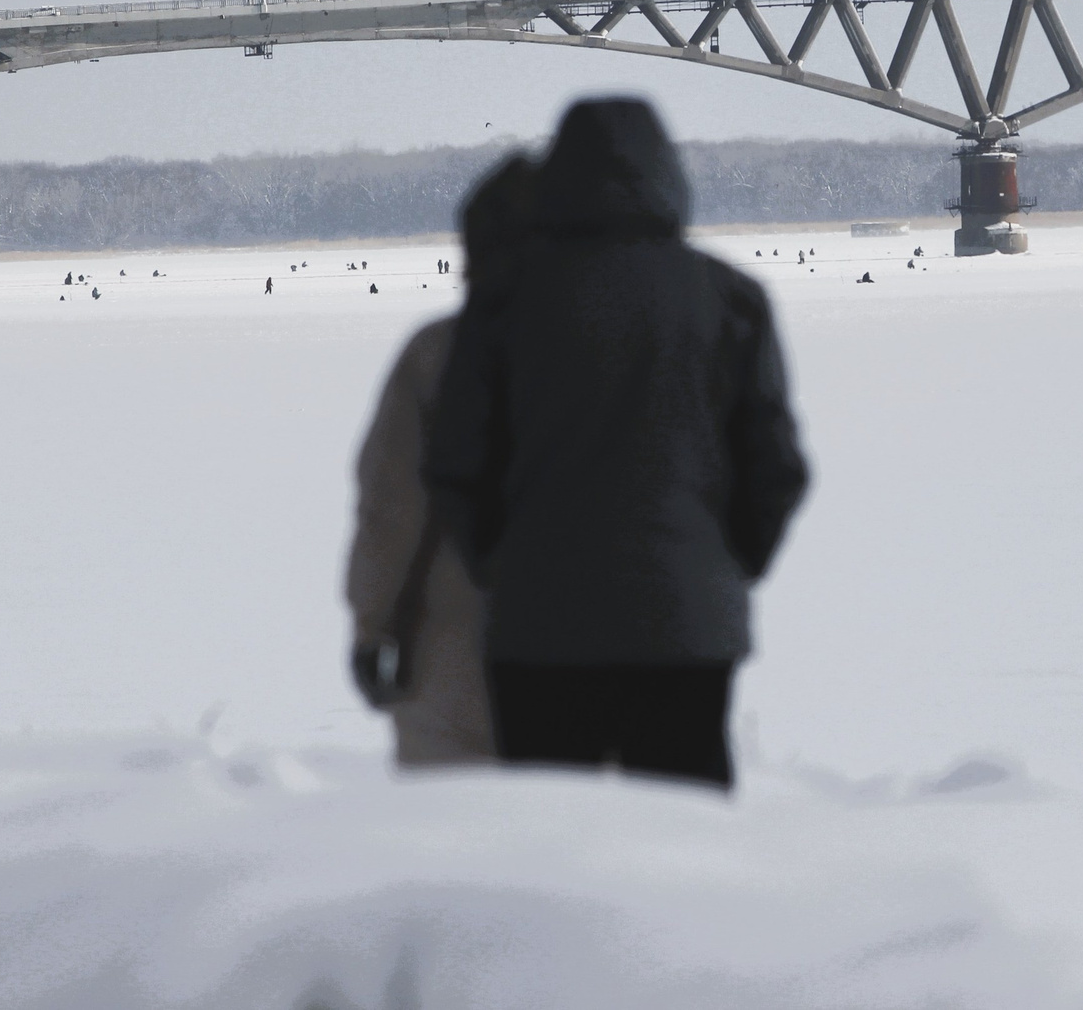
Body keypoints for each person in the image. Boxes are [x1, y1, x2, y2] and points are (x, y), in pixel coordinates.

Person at [426, 98, 808, 791]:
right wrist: (720, 568)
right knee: (681, 835)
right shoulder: (731, 299)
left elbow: (456, 460)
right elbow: (774, 468)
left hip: (539, 627)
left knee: (553, 835)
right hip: (686, 627)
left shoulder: (506, 301)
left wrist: (500, 565)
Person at [344, 154, 537, 767]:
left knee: (455, 818)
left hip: (456, 641)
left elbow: (391, 508)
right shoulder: (632, 348)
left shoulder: (438, 354)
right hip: (613, 646)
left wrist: (373, 627)